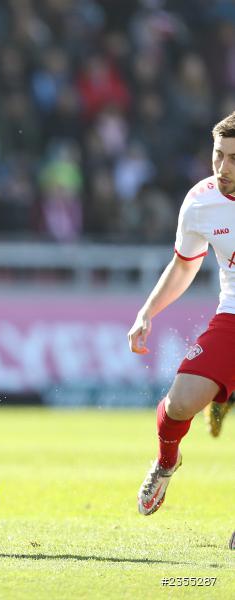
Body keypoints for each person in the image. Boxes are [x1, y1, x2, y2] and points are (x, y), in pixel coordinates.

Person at [129, 110, 235, 515]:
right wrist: (147, 311)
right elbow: (185, 264)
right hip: (233, 314)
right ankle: (166, 462)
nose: (223, 168)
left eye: (234, 158)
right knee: (179, 404)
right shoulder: (201, 202)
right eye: (218, 155)